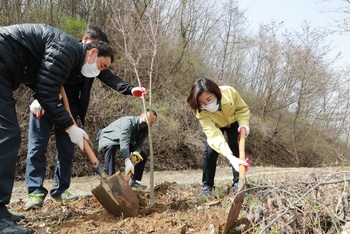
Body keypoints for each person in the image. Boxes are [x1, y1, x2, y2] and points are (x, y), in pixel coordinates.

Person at [0, 23, 114, 234]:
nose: (99, 71)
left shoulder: (69, 57)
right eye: (102, 66)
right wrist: (71, 127)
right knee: (7, 135)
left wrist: (42, 95)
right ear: (93, 52)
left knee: (7, 135)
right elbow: (46, 90)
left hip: (5, 73)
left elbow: (42, 77)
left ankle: (2, 213)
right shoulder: (69, 48)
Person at [24, 26, 147, 211]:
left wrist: (130, 89)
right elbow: (42, 70)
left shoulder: (95, 63)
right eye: (94, 46)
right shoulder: (61, 47)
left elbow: (110, 78)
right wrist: (36, 97)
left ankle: (61, 189)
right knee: (37, 146)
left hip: (69, 108)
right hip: (45, 100)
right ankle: (35, 192)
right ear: (86, 39)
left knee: (66, 150)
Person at [186, 77, 250, 197]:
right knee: (210, 153)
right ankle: (207, 186)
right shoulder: (200, 112)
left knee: (236, 148)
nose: (207, 104)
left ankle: (238, 184)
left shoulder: (230, 92)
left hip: (233, 122)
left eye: (209, 99)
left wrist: (244, 125)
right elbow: (214, 136)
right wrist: (230, 158)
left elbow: (242, 109)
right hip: (216, 126)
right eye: (202, 103)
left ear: (216, 92)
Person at [97, 109, 157, 189]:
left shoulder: (146, 129)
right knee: (111, 148)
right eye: (148, 120)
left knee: (143, 155)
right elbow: (124, 141)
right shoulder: (128, 122)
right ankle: (111, 179)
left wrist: (136, 152)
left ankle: (133, 181)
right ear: (141, 115)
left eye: (152, 122)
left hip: (125, 140)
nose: (150, 124)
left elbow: (139, 144)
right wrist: (127, 160)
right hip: (109, 137)